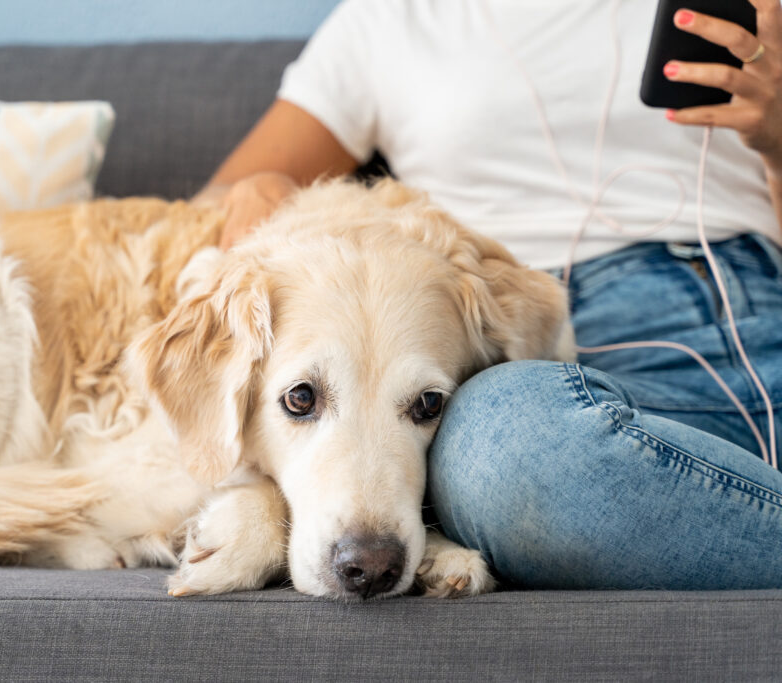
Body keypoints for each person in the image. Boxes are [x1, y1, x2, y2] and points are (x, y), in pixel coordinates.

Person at [196, 0, 782, 589]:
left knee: (507, 442)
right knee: (500, 444)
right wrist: (256, 187)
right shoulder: (389, 20)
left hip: (720, 310)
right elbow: (213, 200)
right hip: (479, 331)